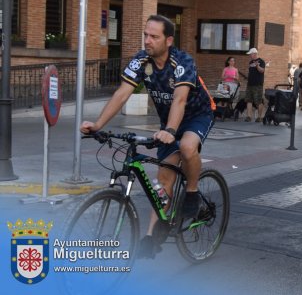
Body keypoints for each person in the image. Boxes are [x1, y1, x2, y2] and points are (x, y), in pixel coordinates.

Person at [80, 14, 214, 258]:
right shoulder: (141, 60)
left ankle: (192, 192)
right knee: (164, 179)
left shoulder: (183, 61)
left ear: (169, 39)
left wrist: (171, 131)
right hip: (168, 122)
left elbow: (180, 99)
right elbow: (122, 93)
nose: (148, 40)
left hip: (197, 114)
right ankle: (153, 236)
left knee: (186, 147)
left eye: (154, 36)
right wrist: (98, 124)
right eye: (145, 35)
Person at [245, 47, 266, 122]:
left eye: (251, 54)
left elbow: (262, 71)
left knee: (258, 101)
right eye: (250, 54)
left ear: (255, 54)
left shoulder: (261, 61)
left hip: (258, 85)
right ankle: (249, 116)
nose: (250, 55)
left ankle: (260, 117)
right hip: (250, 84)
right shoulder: (250, 62)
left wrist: (257, 66)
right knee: (249, 100)